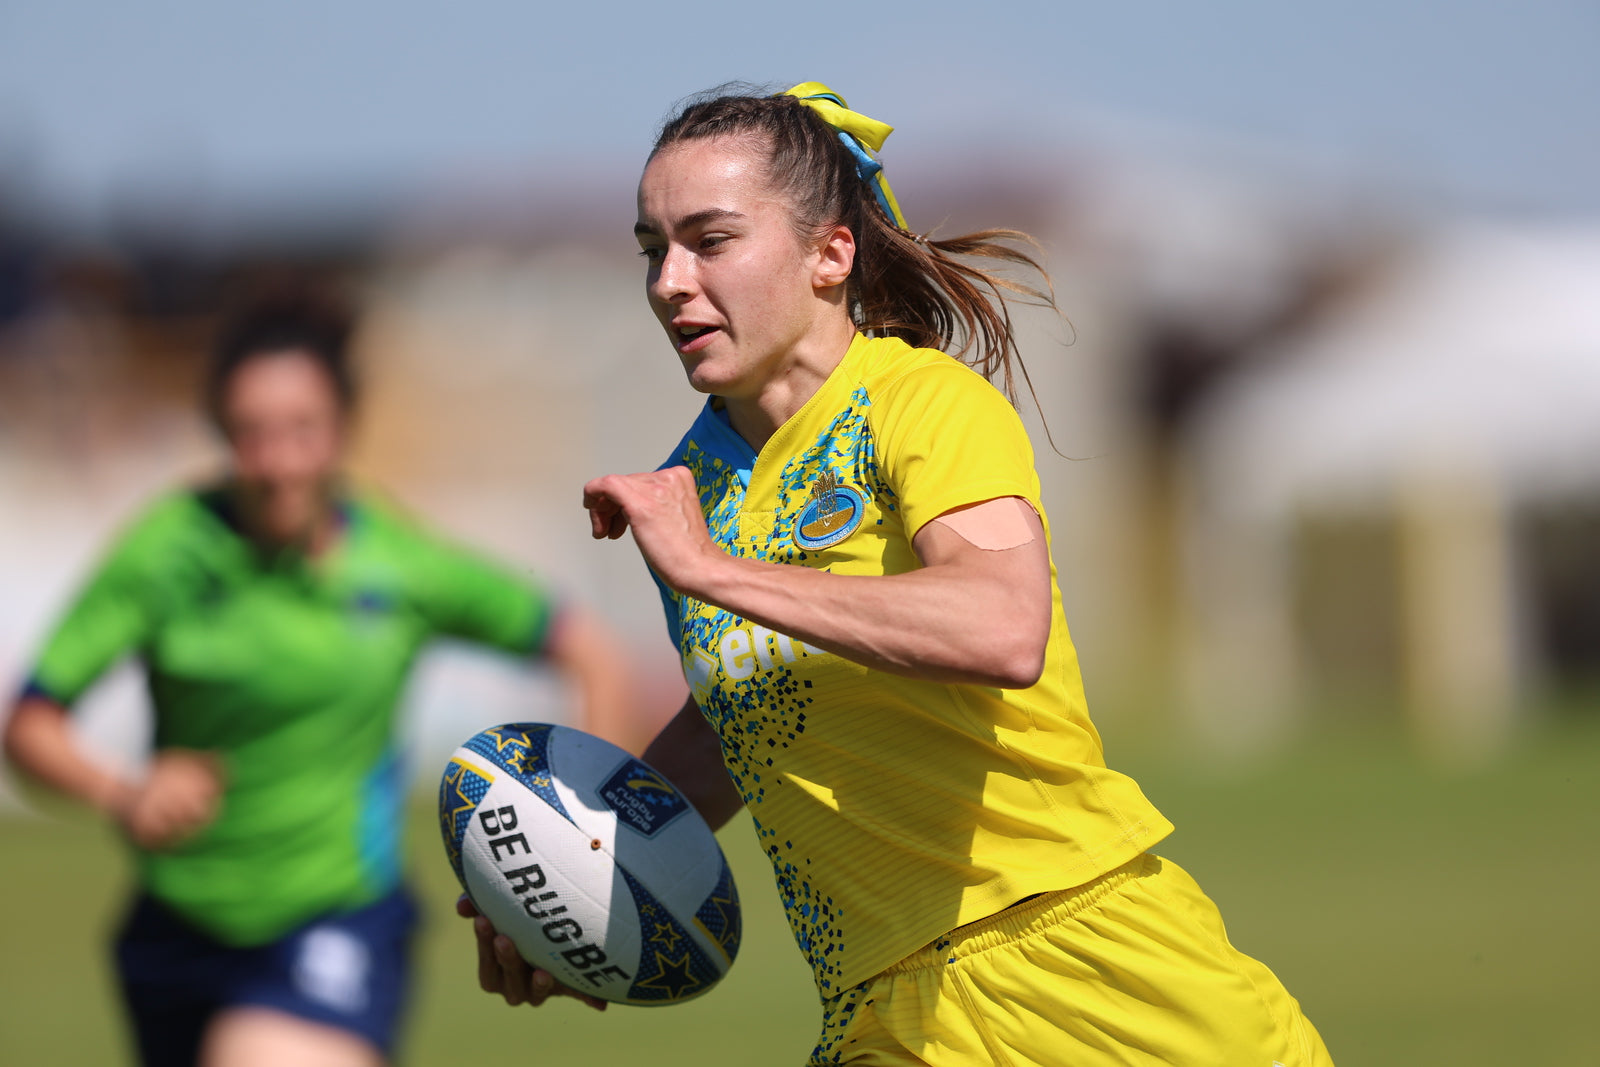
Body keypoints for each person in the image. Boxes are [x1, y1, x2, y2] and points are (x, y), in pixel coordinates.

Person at [464, 82, 1335, 1065]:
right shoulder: (690, 484)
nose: (670, 280)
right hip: (882, 1009)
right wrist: (566, 870)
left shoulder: (923, 405)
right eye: (650, 248)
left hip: (1085, 973)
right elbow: (753, 711)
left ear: (830, 252)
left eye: (709, 240)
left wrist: (713, 570)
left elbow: (1002, 626)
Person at [3, 290, 632, 1067]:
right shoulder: (167, 550)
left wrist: (586, 834)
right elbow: (30, 723)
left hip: (335, 917)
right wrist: (124, 793)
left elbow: (590, 651)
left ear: (342, 432)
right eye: (250, 435)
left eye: (301, 431)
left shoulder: (400, 563)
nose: (277, 462)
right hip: (173, 930)